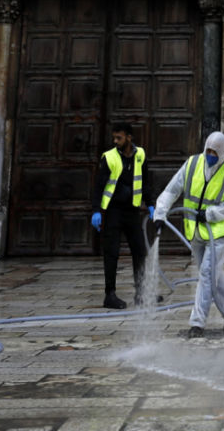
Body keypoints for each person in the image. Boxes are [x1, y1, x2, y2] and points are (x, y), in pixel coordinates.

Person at [153, 130, 224, 338]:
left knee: (206, 274)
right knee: (215, 274)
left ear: (222, 152)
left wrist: (212, 214)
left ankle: (197, 323)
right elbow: (172, 190)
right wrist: (160, 213)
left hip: (218, 234)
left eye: (215, 152)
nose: (211, 155)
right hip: (195, 232)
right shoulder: (193, 164)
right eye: (208, 150)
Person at [91, 122, 151, 309]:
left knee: (140, 252)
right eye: (114, 138)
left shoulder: (140, 155)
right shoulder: (108, 158)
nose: (115, 141)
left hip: (132, 211)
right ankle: (110, 295)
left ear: (129, 137)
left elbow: (146, 181)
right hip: (112, 212)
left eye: (119, 138)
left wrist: (150, 205)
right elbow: (99, 186)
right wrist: (96, 211)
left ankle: (141, 293)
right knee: (112, 253)